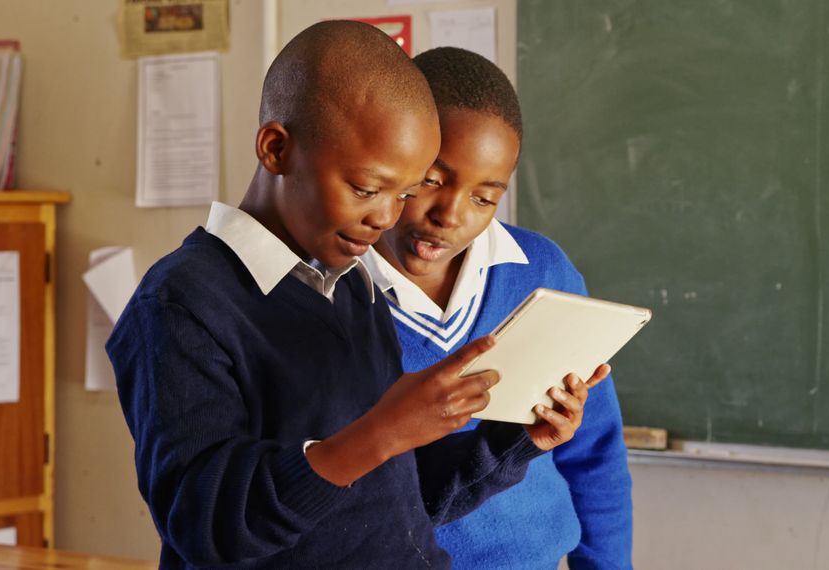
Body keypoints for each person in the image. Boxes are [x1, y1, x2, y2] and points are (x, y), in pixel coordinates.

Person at [108, 22, 600, 569]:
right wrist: (384, 430)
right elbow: (209, 528)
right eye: (367, 189)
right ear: (276, 149)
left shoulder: (347, 287)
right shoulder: (180, 306)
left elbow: (398, 505)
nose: (386, 217)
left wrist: (514, 439)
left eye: (405, 193)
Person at [364, 47, 633, 569]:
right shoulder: (327, 289)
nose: (451, 215)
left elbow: (596, 453)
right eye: (432, 180)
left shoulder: (542, 274)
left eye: (484, 197)